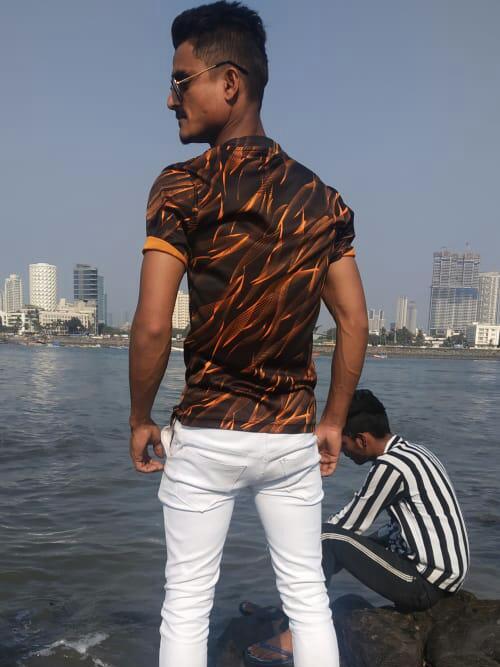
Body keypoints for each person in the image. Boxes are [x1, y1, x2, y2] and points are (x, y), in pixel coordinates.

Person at [128, 2, 368, 666]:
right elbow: (354, 321)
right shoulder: (321, 200)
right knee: (308, 598)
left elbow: (152, 324)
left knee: (186, 604)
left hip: (206, 432)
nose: (169, 98)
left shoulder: (181, 189)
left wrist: (141, 417)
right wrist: (334, 420)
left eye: (180, 81)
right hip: (290, 436)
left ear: (229, 83)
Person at [244, 389, 470, 665]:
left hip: (425, 584)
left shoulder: (391, 467)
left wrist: (294, 549)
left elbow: (349, 523)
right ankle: (289, 610)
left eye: (344, 443)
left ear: (361, 440)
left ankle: (296, 631)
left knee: (326, 537)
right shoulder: (415, 452)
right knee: (339, 543)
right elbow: (401, 528)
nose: (343, 452)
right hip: (444, 576)